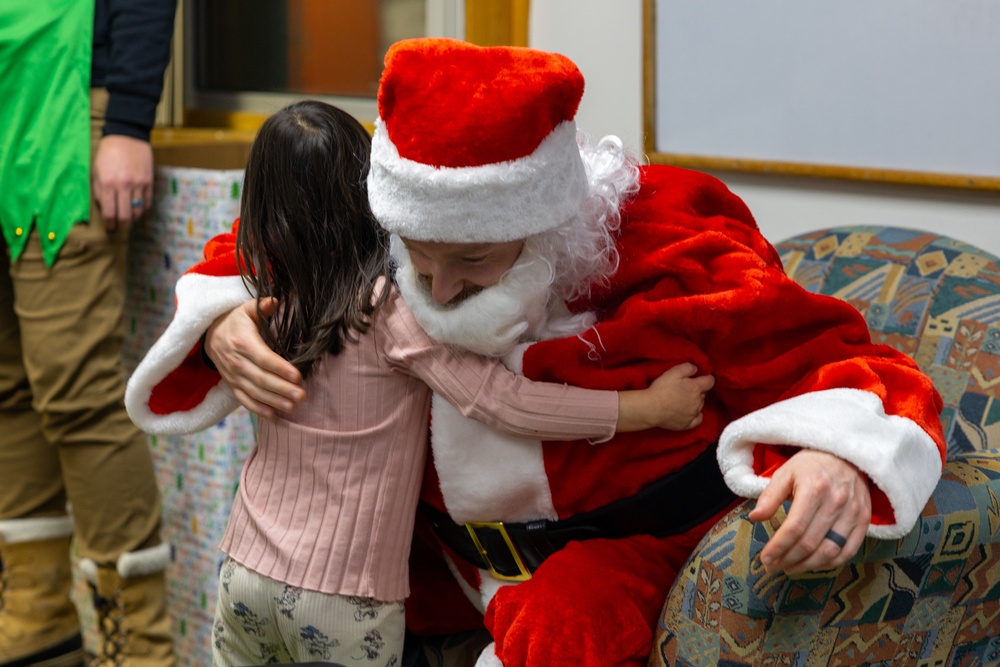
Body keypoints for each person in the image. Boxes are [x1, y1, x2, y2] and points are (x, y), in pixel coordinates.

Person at [127, 39, 947, 667]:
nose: (439, 291)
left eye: (475, 263)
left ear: (544, 220)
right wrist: (225, 320)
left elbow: (836, 356)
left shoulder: (665, 239)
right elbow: (253, 252)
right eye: (419, 259)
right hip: (424, 566)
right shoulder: (389, 215)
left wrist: (836, 457)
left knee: (566, 627)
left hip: (610, 548)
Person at [125, 99, 714, 666]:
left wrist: (215, 322)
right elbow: (500, 401)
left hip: (242, 569)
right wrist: (643, 408)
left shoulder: (258, 297)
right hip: (341, 595)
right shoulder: (386, 309)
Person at [0, 1, 177, 666]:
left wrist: (129, 118)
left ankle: (139, 645)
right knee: (7, 383)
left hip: (66, 108)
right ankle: (39, 610)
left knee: (77, 392)